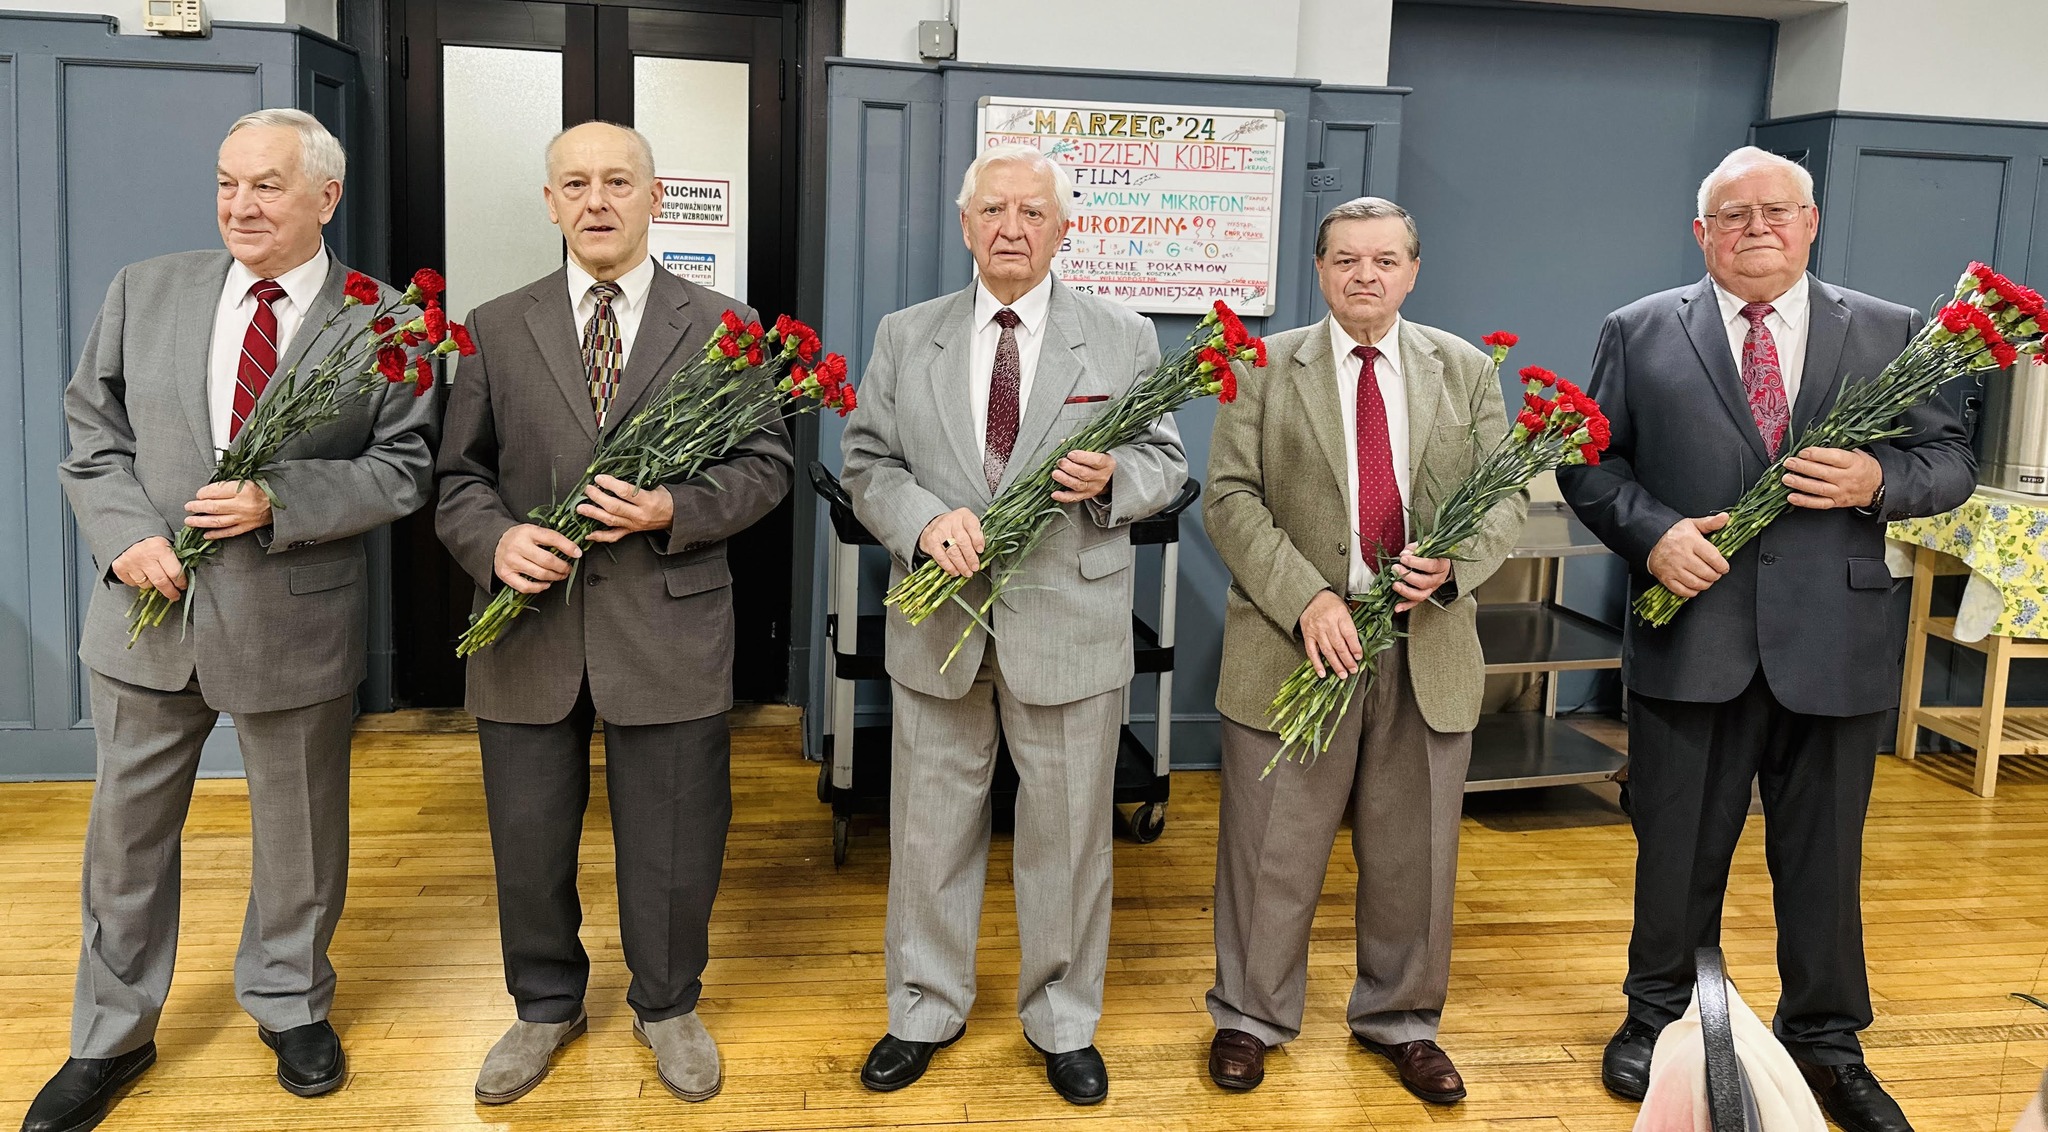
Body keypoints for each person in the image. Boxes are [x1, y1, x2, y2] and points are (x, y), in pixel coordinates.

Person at [26, 108, 438, 1132]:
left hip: (294, 621)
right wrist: (124, 535)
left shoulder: (387, 322)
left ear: (325, 198)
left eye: (265, 185)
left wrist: (277, 500)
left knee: (300, 837)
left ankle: (291, 1003)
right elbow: (91, 430)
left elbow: (405, 467)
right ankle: (111, 1033)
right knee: (125, 843)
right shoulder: (146, 288)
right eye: (226, 183)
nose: (239, 206)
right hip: (146, 615)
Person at [1556, 146, 1974, 1132]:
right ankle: (1660, 1017)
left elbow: (1949, 460)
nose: (1756, 228)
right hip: (1692, 635)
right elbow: (1587, 461)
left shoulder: (1889, 330)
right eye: (1733, 215)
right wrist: (1653, 534)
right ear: (1701, 233)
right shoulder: (1638, 329)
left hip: (1833, 641)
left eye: (1775, 211)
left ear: (1810, 222)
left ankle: (1826, 1042)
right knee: (1675, 851)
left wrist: (1879, 481)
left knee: (1824, 858)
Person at [434, 120, 792, 1106]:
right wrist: (495, 542)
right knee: (527, 838)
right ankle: (543, 1005)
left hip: (669, 623)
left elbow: (766, 466)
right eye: (576, 184)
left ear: (654, 197)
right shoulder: (494, 326)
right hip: (526, 628)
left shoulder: (722, 324)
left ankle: (667, 1004)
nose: (597, 200)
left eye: (618, 182)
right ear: (550, 203)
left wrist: (674, 507)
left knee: (676, 838)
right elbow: (457, 478)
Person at [838, 143, 1187, 1106]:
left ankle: (1063, 1019)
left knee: (1069, 839)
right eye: (993, 210)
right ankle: (923, 1007)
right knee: (928, 831)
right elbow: (866, 462)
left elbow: (1166, 463)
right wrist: (921, 522)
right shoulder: (906, 334)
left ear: (1063, 229)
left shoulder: (1122, 337)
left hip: (1070, 624)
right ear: (965, 224)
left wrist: (1116, 478)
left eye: (1033, 213)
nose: (1011, 228)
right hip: (940, 625)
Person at [1199, 196, 1525, 1107]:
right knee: (1271, 849)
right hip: (1294, 642)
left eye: (1384, 260)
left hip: (1426, 643)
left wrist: (1453, 566)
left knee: (1415, 853)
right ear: (1320, 270)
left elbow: (1504, 495)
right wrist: (1306, 597)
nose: (1365, 275)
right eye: (1346, 260)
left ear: (1412, 272)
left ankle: (1402, 1020)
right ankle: (1250, 1015)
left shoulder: (1465, 371)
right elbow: (1228, 497)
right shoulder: (1262, 367)